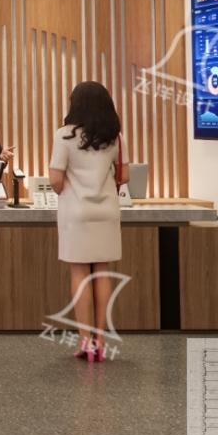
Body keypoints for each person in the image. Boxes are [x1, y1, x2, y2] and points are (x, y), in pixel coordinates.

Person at [50, 81, 128, 363]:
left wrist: (69, 189)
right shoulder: (114, 136)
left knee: (80, 272)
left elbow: (55, 180)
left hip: (76, 212)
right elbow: (124, 176)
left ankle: (85, 342)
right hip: (107, 211)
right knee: (102, 271)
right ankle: (100, 340)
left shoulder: (64, 135)